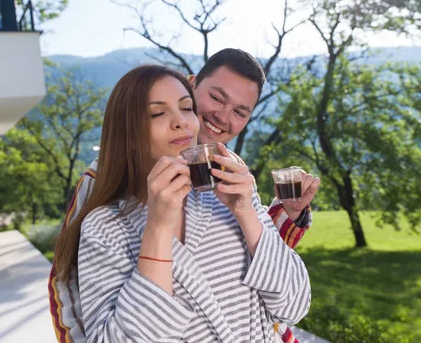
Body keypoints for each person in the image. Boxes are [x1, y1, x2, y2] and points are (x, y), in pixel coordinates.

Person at [49, 49, 321, 342]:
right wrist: (158, 226)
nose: (183, 121)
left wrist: (252, 213)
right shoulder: (104, 208)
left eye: (186, 108)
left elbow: (292, 303)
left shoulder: (232, 179)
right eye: (216, 98)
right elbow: (68, 292)